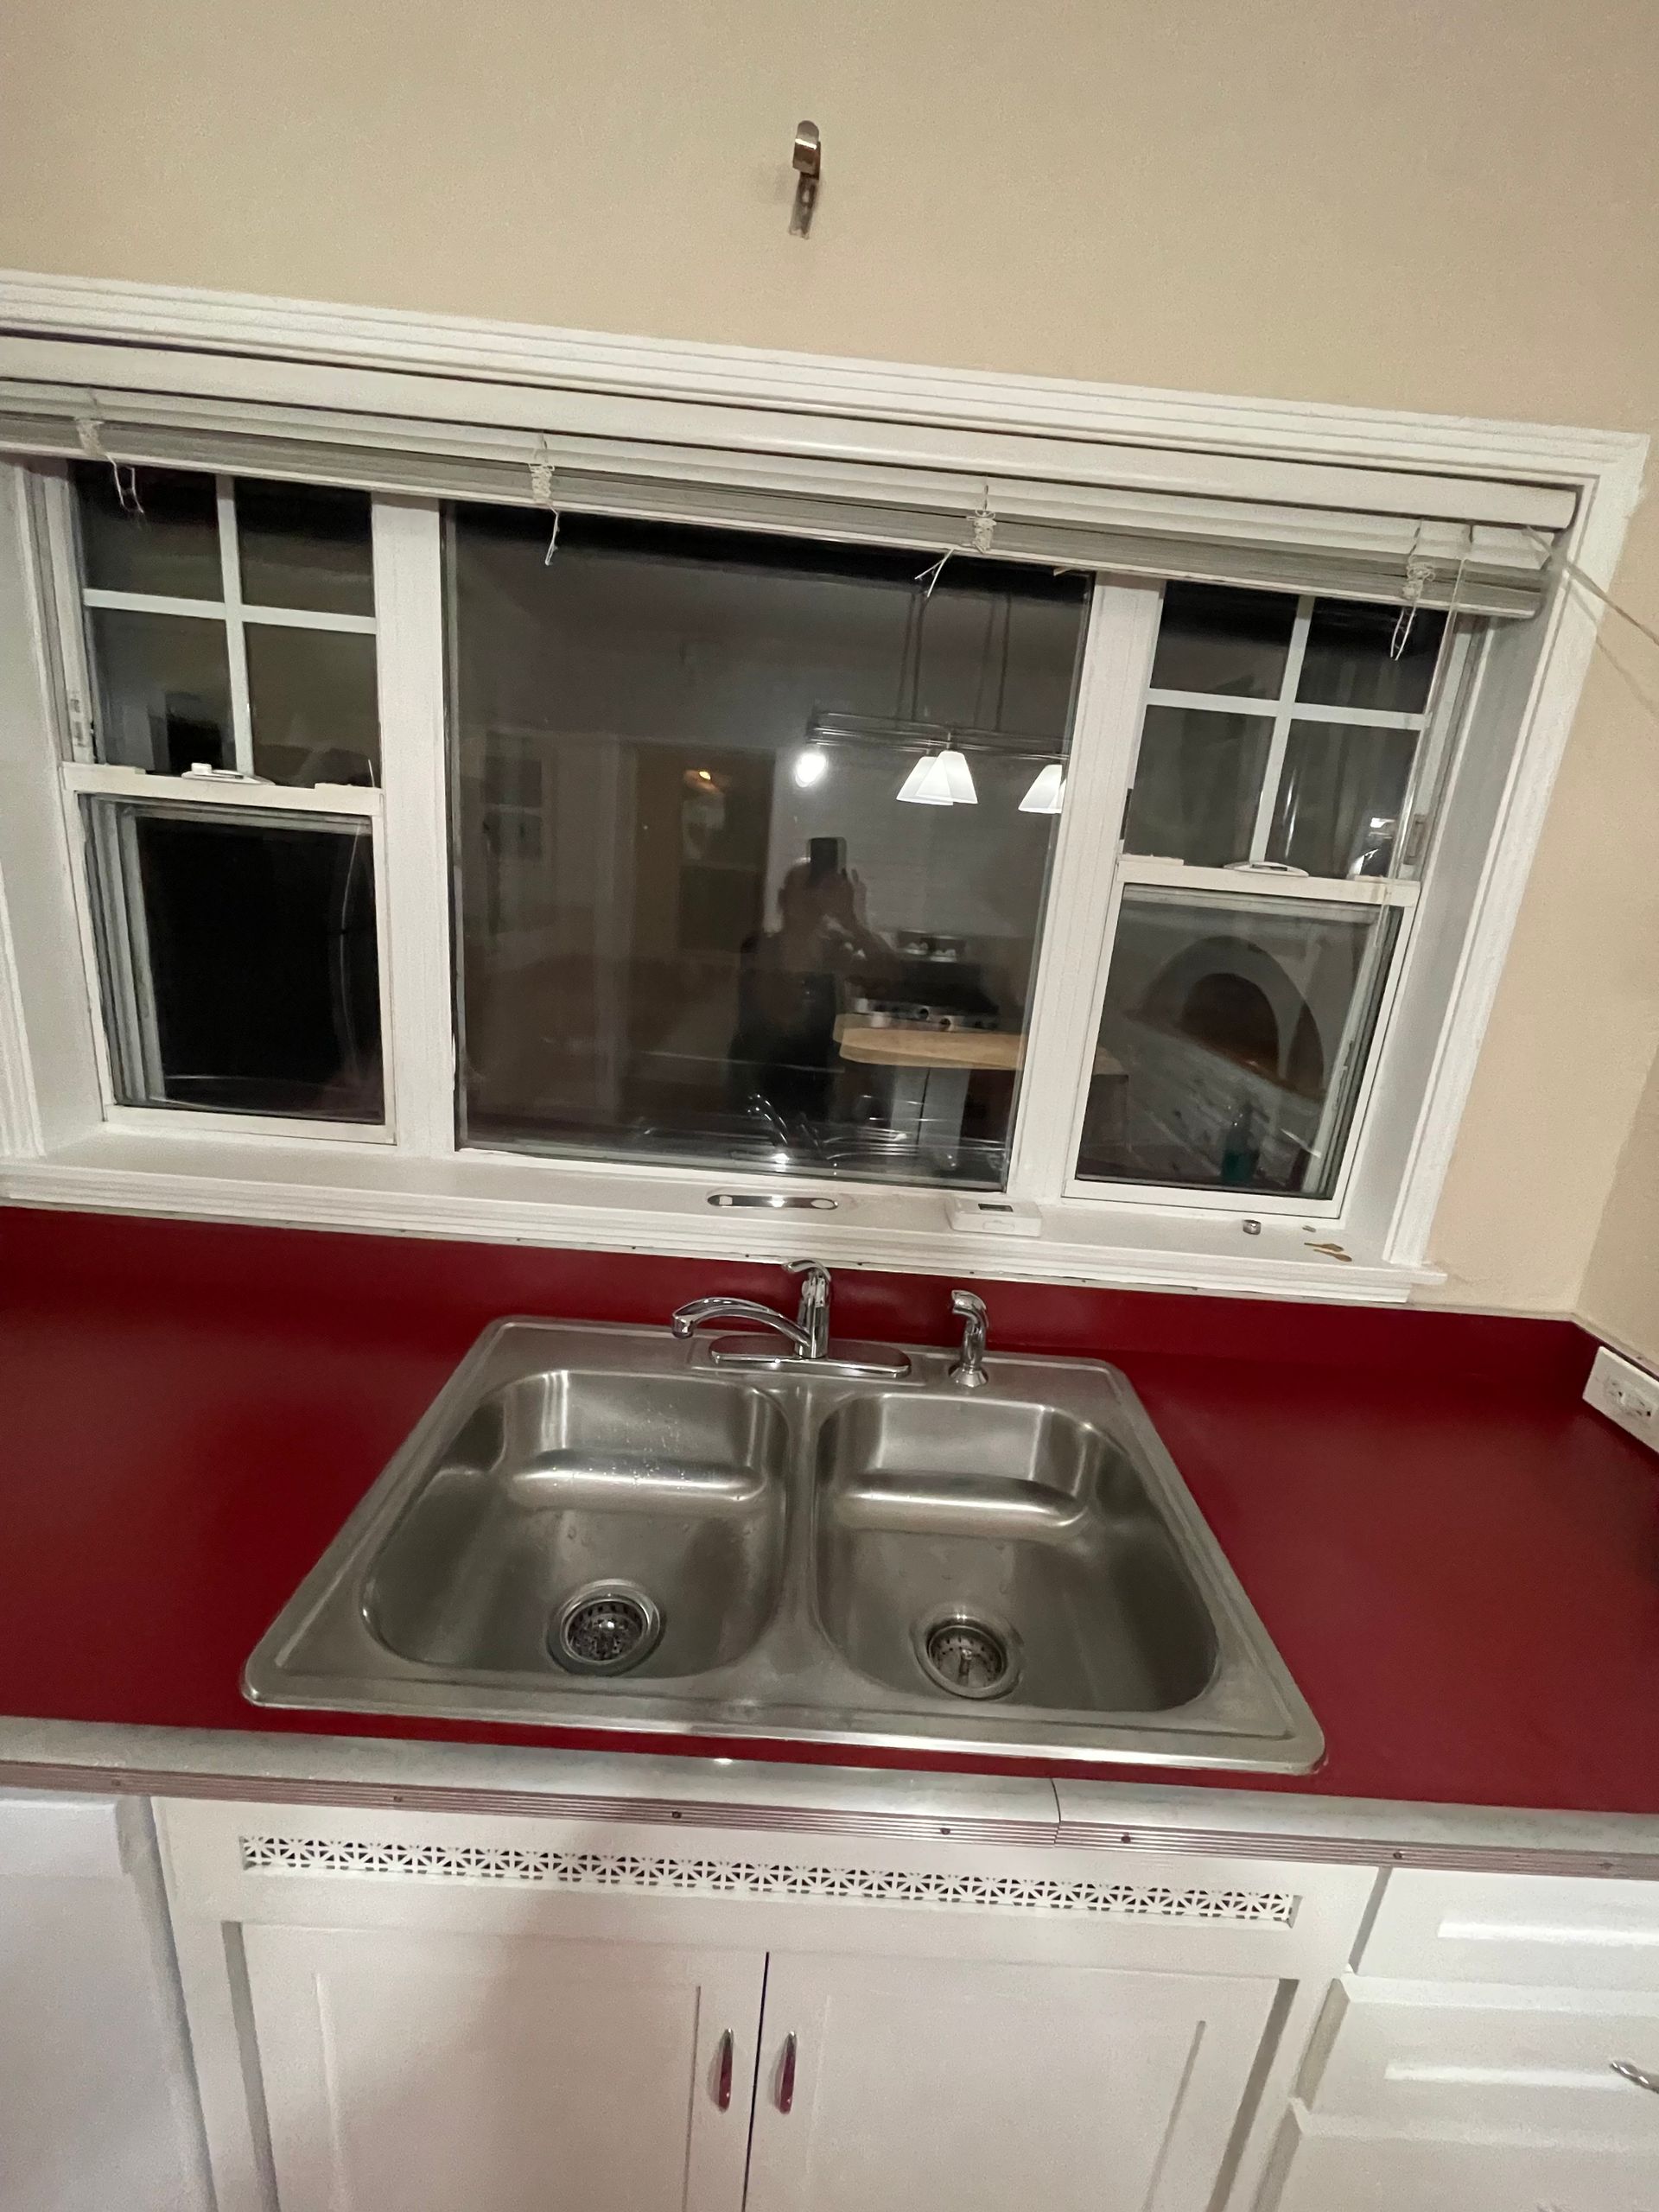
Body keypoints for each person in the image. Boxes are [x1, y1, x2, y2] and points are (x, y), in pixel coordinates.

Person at [729, 852, 895, 1126]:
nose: (812, 900)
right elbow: (782, 1013)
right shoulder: (761, 947)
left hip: (817, 1086)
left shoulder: (834, 949)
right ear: (783, 898)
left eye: (819, 892)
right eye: (805, 891)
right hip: (758, 1078)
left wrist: (854, 921)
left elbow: (889, 978)